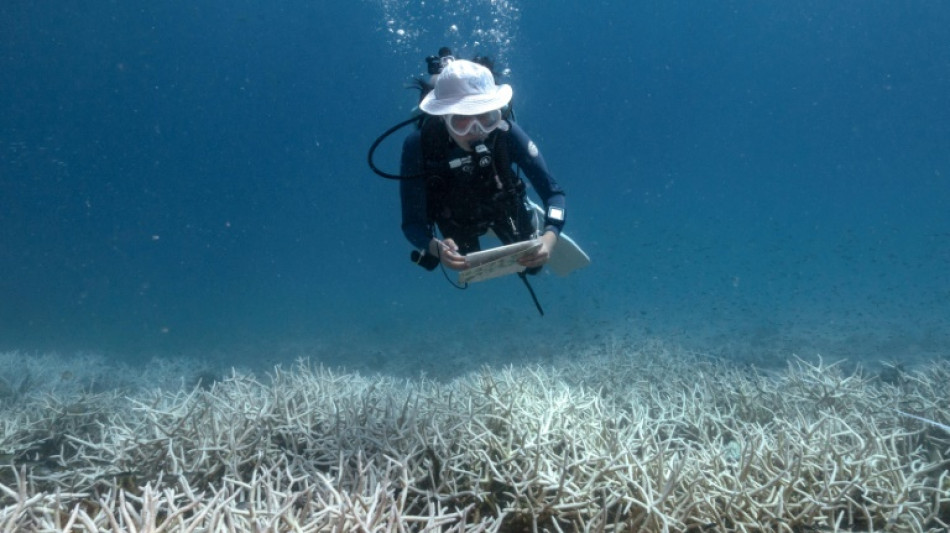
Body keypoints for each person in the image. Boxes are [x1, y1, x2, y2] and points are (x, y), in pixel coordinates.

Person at [399, 57, 567, 274]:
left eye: (486, 116)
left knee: (533, 266)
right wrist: (435, 247)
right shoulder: (419, 146)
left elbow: (554, 194)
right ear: (442, 117)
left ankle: (528, 214)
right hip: (455, 213)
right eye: (461, 119)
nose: (475, 130)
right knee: (466, 265)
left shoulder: (507, 133)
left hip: (501, 199)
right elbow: (412, 224)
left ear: (497, 112)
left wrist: (550, 236)